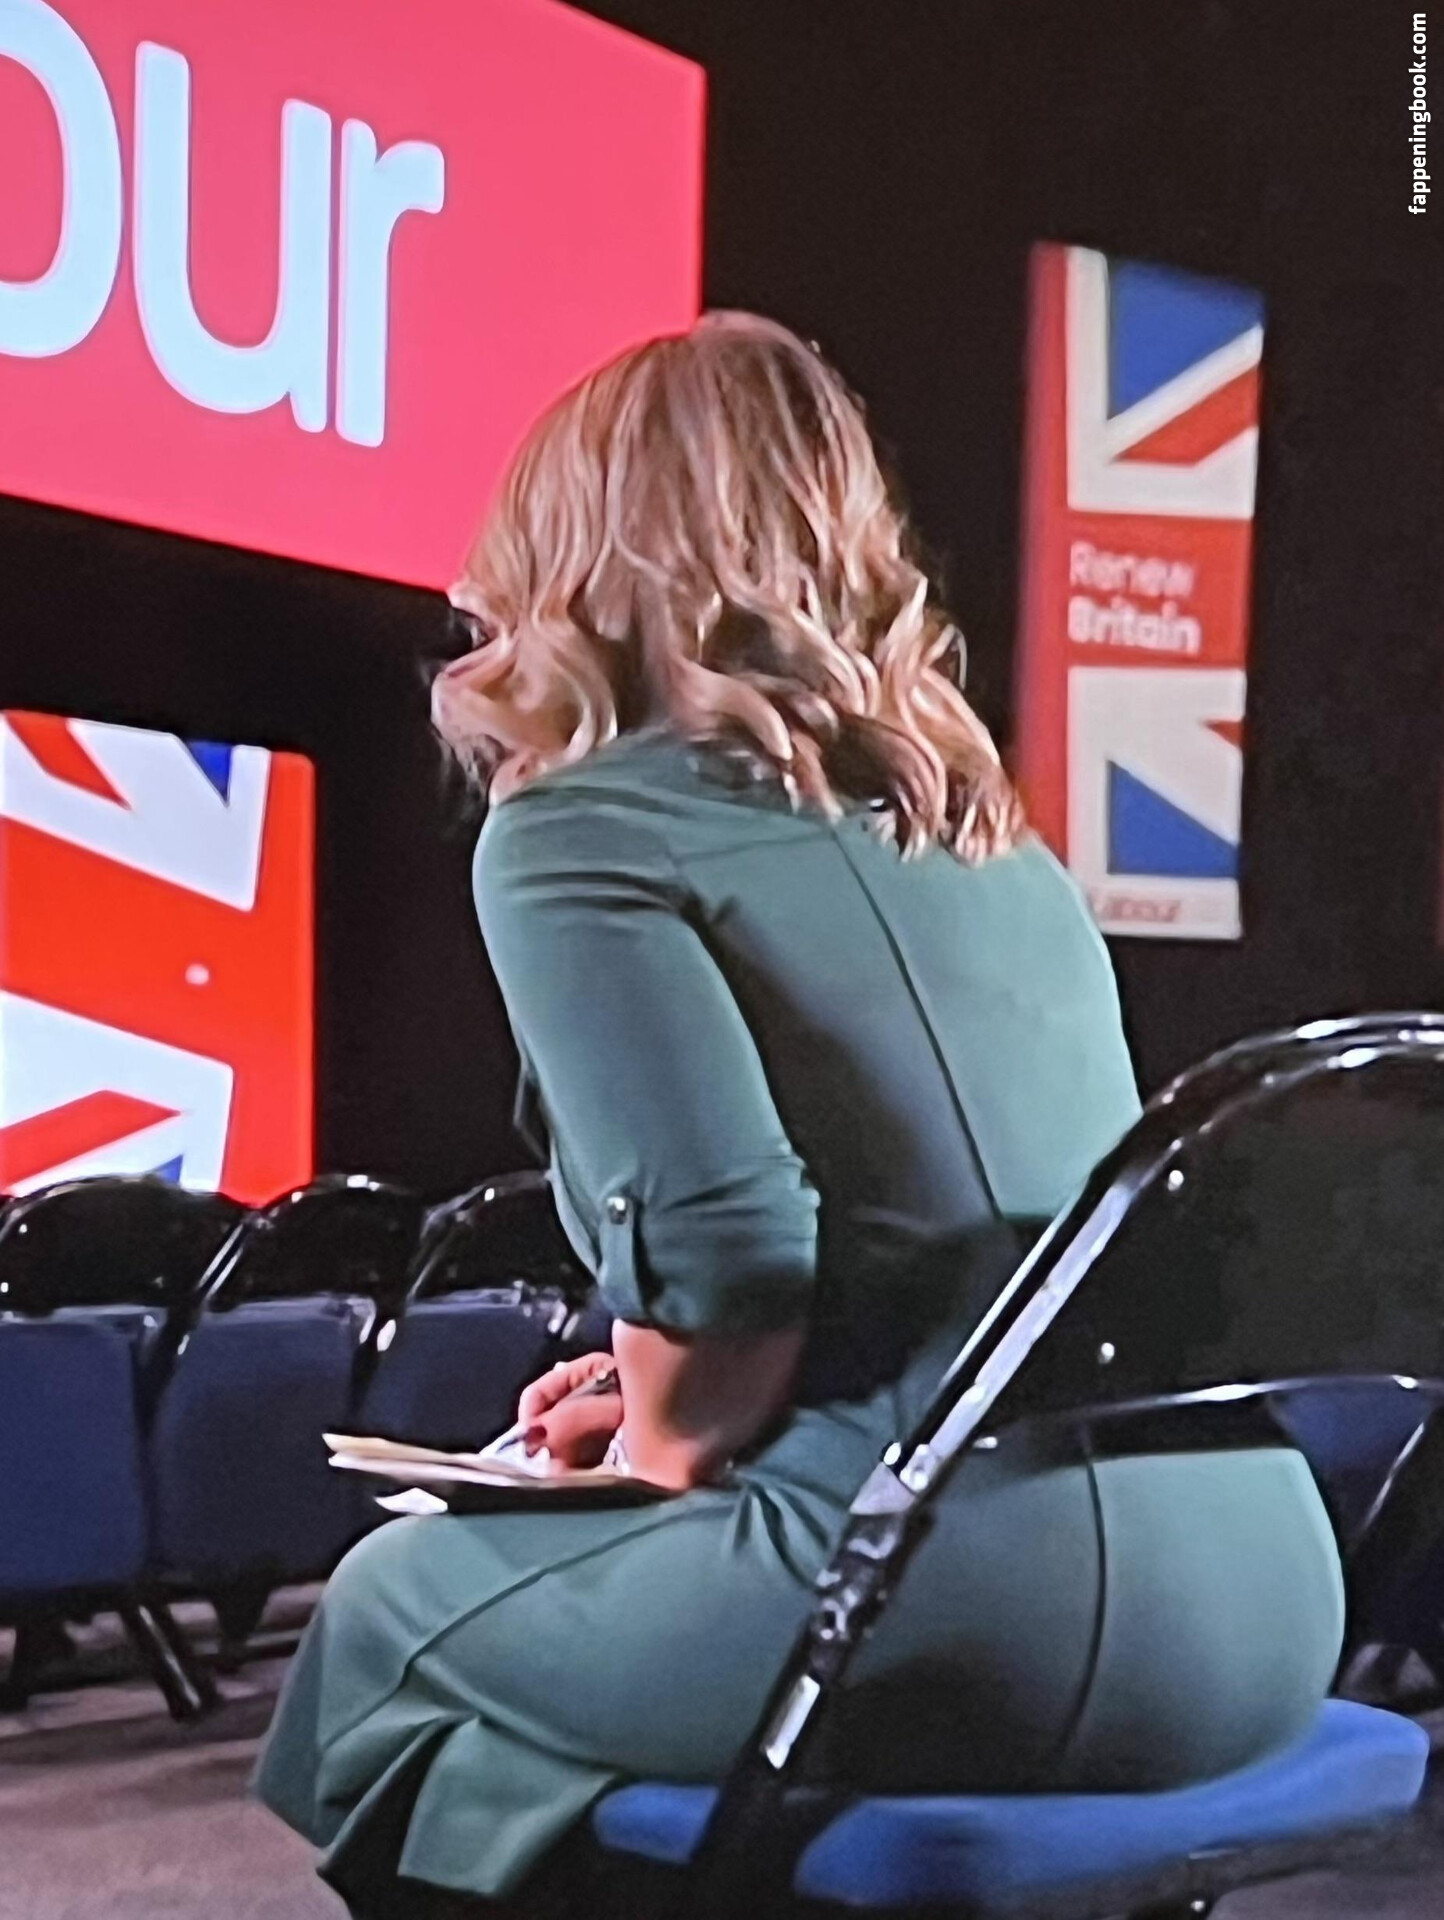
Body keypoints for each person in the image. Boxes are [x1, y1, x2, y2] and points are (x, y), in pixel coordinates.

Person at [255, 313, 1344, 1917]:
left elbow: (737, 1260)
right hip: (1263, 1595)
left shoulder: (571, 832)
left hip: (963, 1595)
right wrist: (651, 1387)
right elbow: (980, 1253)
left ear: (565, 551)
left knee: (386, 1619)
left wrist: (657, 1452)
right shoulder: (999, 848)